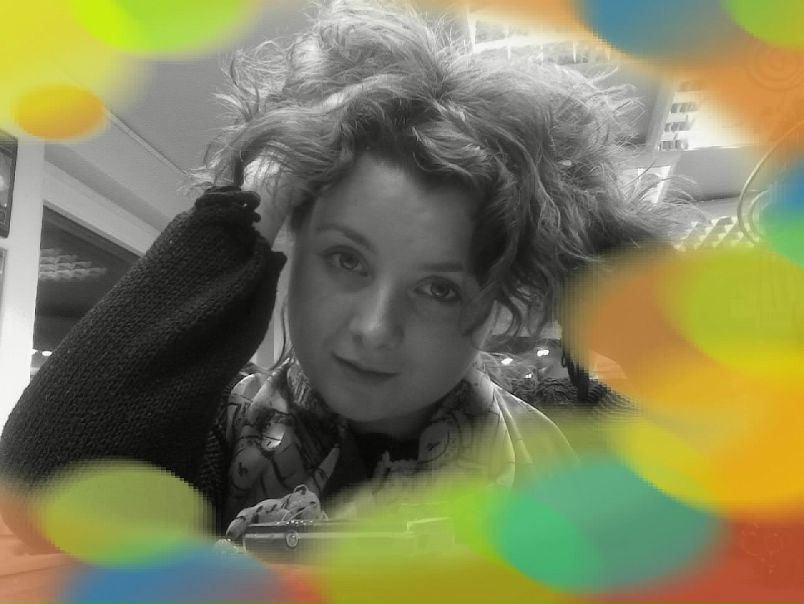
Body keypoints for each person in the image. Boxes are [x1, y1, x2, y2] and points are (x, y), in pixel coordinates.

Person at [0, 0, 681, 544]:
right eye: (346, 259)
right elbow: (44, 480)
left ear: (496, 305)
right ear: (291, 245)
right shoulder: (213, 435)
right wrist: (250, 202)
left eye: (439, 289)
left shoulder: (556, 461)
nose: (374, 329)